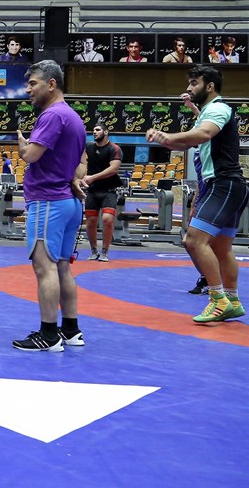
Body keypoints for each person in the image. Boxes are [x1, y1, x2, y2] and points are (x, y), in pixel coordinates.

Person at [147, 65, 249, 324]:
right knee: (222, 248)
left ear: (210, 86)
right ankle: (233, 301)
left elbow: (203, 134)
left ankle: (218, 300)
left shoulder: (218, 108)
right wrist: (168, 140)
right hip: (229, 186)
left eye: (194, 83)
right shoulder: (209, 111)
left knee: (193, 240)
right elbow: (192, 140)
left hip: (223, 185)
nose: (189, 88)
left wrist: (166, 135)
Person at [11, 60, 87, 352]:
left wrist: (22, 145)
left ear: (51, 84)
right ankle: (70, 330)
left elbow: (31, 155)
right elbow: (81, 164)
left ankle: (48, 334)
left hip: (48, 201)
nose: (28, 89)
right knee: (62, 268)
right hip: (67, 202)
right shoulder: (73, 116)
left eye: (33, 83)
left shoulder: (52, 115)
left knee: (45, 268)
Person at [81, 123, 122, 262]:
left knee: (107, 219)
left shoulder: (114, 149)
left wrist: (92, 177)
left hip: (108, 191)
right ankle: (94, 251)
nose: (94, 132)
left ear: (106, 132)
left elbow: (114, 169)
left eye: (98, 130)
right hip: (92, 191)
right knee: (91, 222)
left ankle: (105, 251)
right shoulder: (88, 146)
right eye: (93, 130)